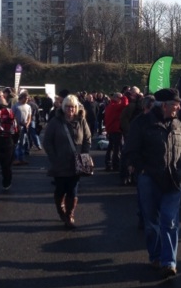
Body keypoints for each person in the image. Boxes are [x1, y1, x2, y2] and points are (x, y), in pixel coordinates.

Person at [123, 88, 181, 278]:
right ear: (164, 106)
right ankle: (156, 255)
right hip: (149, 179)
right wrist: (141, 169)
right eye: (175, 105)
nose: (178, 108)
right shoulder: (141, 123)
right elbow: (130, 150)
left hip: (173, 180)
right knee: (151, 222)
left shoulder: (178, 125)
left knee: (169, 220)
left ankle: (169, 262)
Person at [42, 94, 91, 229]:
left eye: (73, 107)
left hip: (76, 163)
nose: (71, 109)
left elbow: (87, 138)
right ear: (63, 107)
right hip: (60, 163)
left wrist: (84, 155)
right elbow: (47, 142)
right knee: (60, 189)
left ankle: (70, 215)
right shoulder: (55, 122)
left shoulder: (81, 120)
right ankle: (60, 208)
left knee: (73, 190)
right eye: (68, 107)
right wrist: (54, 158)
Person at [103, 92, 128, 177]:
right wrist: (124, 97)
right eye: (119, 99)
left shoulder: (109, 106)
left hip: (110, 129)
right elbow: (125, 105)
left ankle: (108, 163)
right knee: (117, 148)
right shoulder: (115, 106)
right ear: (117, 98)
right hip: (116, 129)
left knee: (111, 147)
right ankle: (115, 165)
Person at [12, 92, 32, 166]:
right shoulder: (15, 106)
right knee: (17, 143)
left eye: (28, 98)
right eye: (26, 98)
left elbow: (30, 116)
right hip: (17, 127)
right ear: (22, 98)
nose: (27, 100)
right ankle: (16, 159)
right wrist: (17, 124)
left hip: (25, 127)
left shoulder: (28, 106)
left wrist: (28, 123)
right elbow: (12, 116)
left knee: (23, 143)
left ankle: (22, 158)